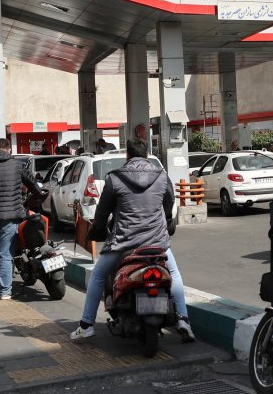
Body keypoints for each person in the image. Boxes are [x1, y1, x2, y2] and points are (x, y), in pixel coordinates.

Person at [70, 138, 195, 342]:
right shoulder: (162, 177)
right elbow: (168, 204)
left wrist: (98, 229)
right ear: (146, 155)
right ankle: (184, 320)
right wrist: (165, 222)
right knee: (174, 274)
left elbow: (102, 212)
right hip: (157, 243)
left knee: (99, 274)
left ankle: (86, 325)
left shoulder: (115, 179)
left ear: (127, 155)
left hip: (124, 242)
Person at [0, 138, 44, 301]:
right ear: (9, 150)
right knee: (6, 255)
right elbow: (35, 188)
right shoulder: (18, 166)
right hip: (11, 217)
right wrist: (29, 202)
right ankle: (5, 292)